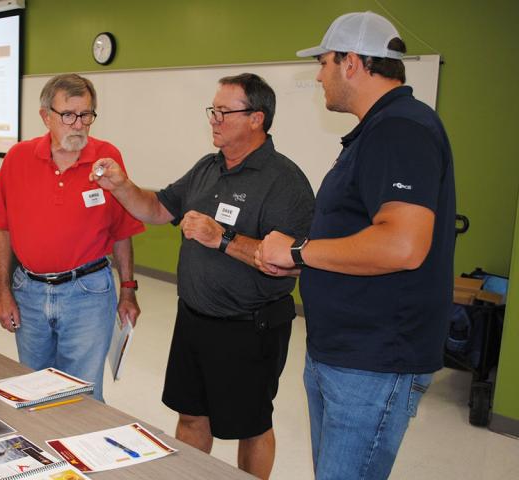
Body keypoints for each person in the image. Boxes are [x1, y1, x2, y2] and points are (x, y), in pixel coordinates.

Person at [255, 12, 456, 479]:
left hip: (374, 361)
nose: (319, 74)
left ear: (352, 63)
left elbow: (403, 244)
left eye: (324, 62)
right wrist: (309, 264)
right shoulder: (376, 130)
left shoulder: (400, 129)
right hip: (345, 352)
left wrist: (298, 252)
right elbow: (360, 236)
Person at [92, 73, 314, 479]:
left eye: (224, 112)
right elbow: (157, 209)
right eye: (213, 110)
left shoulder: (285, 182)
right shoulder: (208, 168)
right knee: (191, 416)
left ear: (256, 119)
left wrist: (223, 238)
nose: (213, 119)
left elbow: (290, 261)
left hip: (250, 328)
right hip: (194, 320)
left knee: (252, 427)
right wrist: (121, 186)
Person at [0, 74, 145, 402]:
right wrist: (2, 292)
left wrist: (128, 290)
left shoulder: (106, 159)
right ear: (46, 116)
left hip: (88, 293)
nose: (78, 124)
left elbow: (122, 231)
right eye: (68, 115)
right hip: (28, 292)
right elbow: (2, 229)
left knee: (82, 394)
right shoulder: (17, 159)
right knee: (34, 389)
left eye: (86, 115)